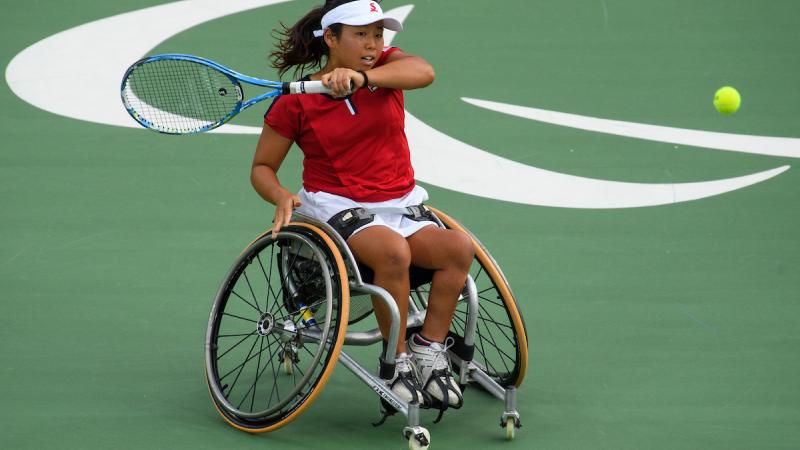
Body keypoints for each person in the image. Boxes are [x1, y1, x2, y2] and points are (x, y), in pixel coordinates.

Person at [250, 0, 473, 413]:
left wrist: (363, 77)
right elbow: (262, 167)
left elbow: (425, 72)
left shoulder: (385, 68)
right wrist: (281, 195)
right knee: (393, 252)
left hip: (401, 202)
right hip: (337, 207)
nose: (372, 43)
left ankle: (429, 349)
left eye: (377, 34)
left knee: (458, 247)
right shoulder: (295, 103)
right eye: (360, 35)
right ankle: (397, 361)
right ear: (331, 38)